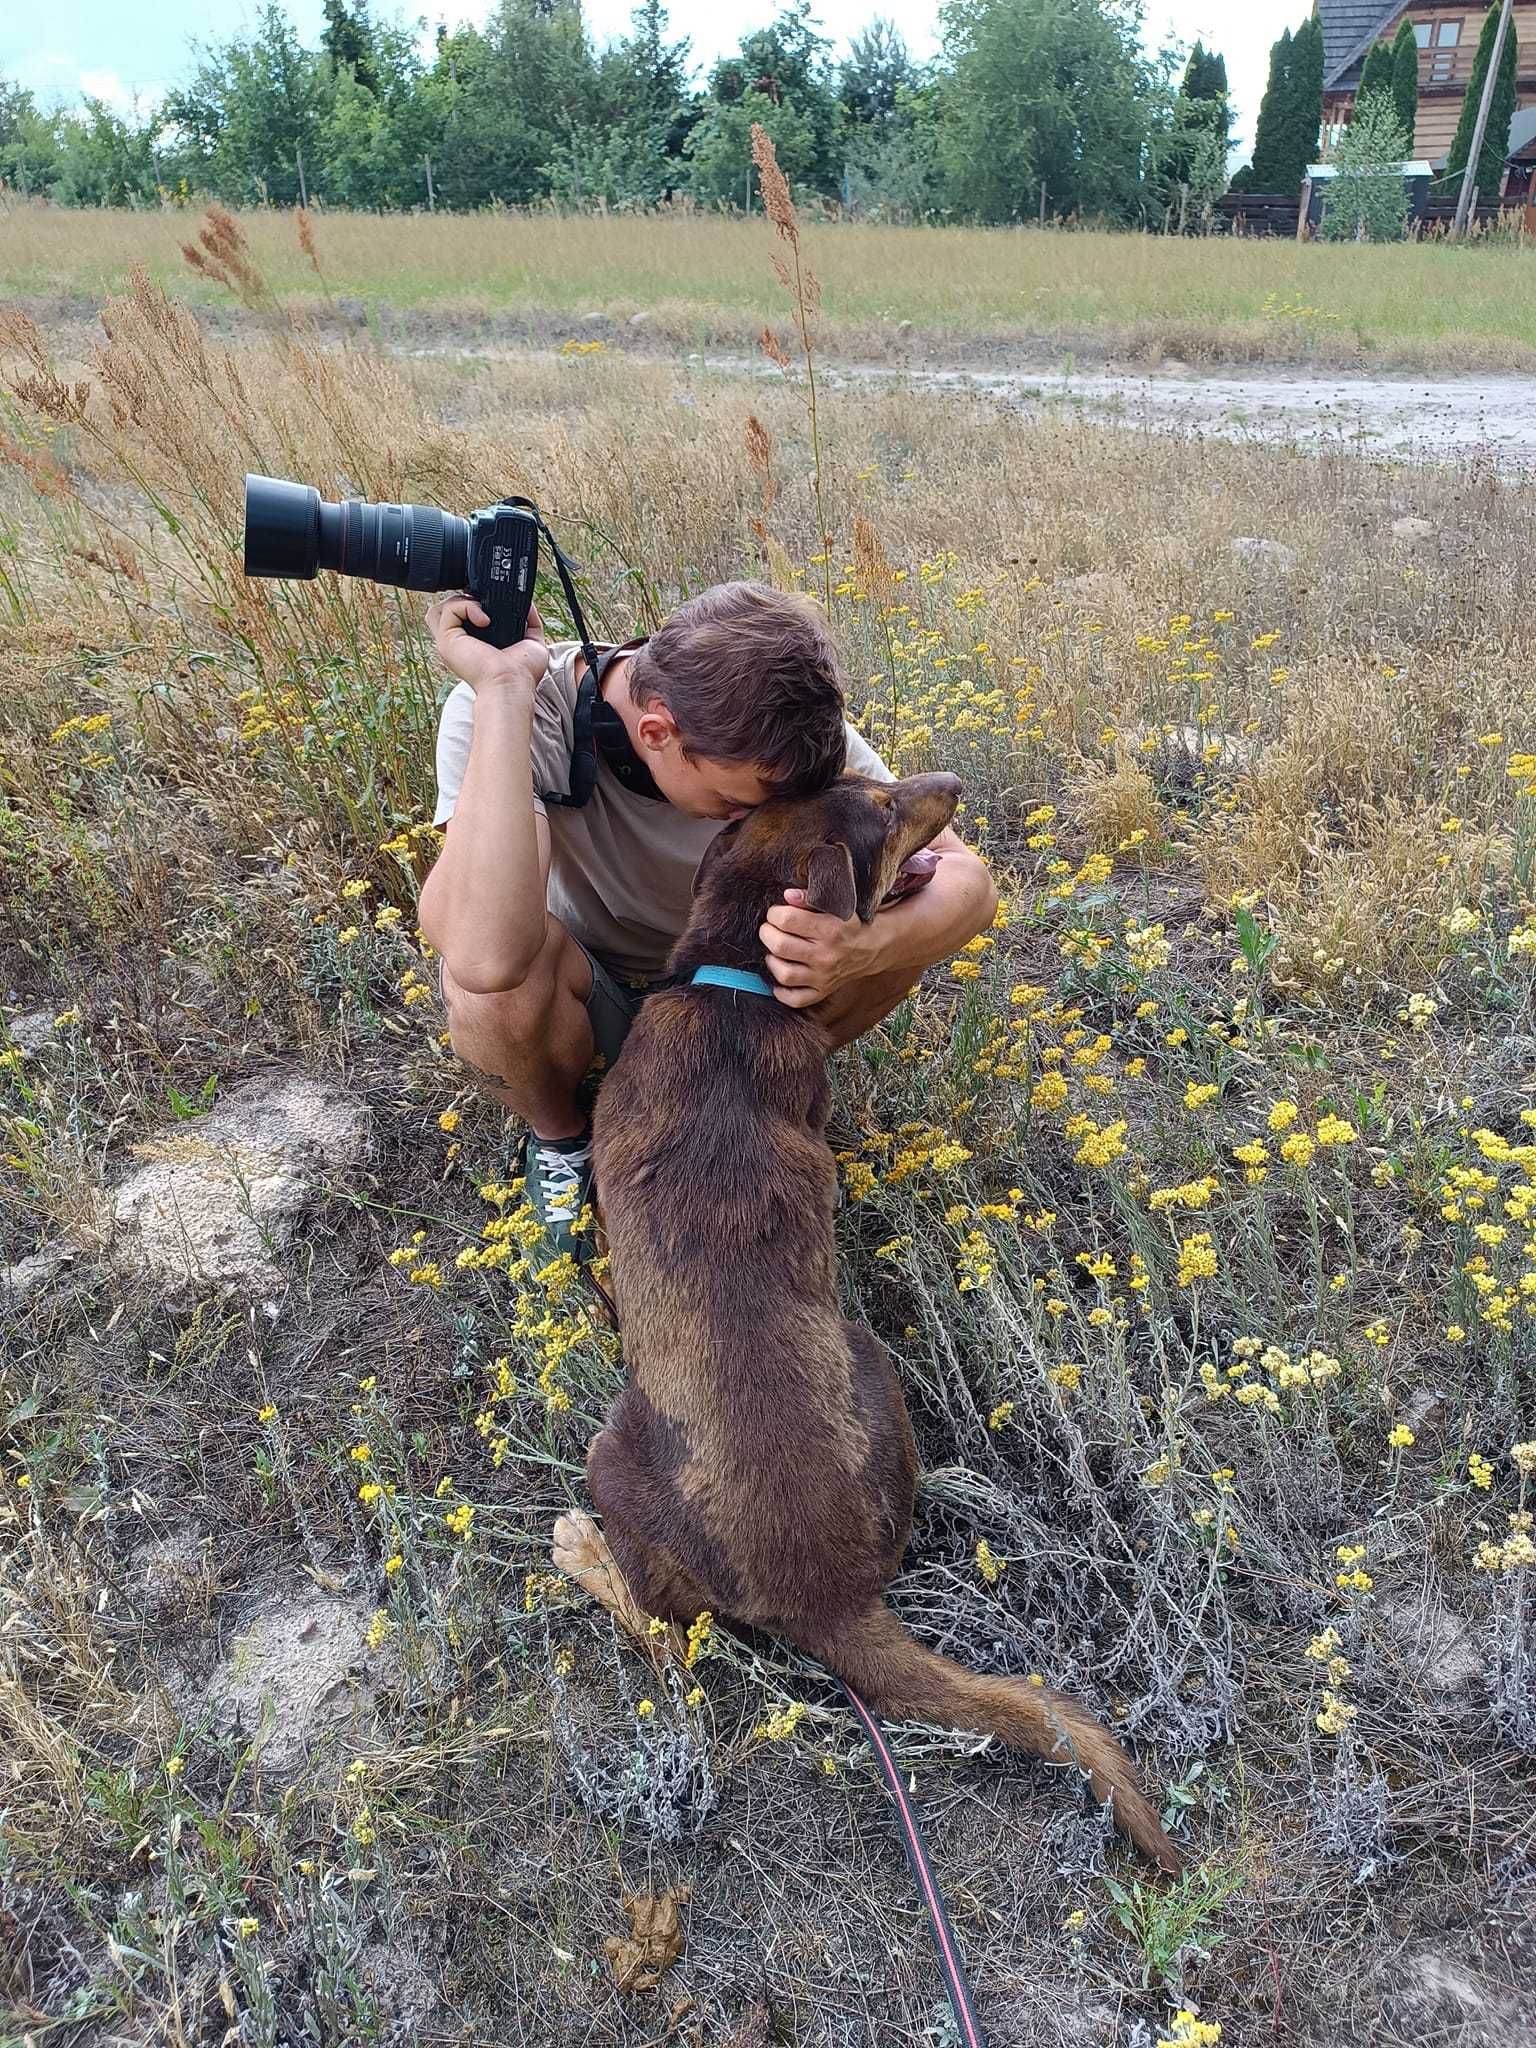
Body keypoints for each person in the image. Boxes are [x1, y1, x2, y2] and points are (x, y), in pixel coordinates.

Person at [417, 579, 996, 1265]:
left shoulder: (780, 737)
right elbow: (484, 957)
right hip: (589, 987)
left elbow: (971, 887)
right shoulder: (516, 707)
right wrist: (505, 691)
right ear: (658, 731)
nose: (761, 812)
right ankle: (563, 1138)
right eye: (737, 804)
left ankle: (758, 1108)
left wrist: (862, 947)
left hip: (742, 999)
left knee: (905, 936)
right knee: (489, 993)